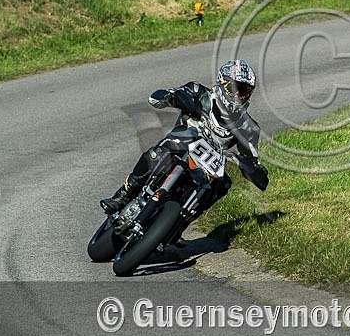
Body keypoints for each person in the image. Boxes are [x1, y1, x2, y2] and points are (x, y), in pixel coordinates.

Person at [100, 59, 268, 221]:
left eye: (244, 91)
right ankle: (122, 195)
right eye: (234, 88)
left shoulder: (248, 127)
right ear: (223, 83)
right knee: (156, 153)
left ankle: (179, 225)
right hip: (179, 144)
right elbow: (171, 95)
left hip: (207, 163)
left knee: (223, 185)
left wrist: (253, 169)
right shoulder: (199, 91)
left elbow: (251, 159)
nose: (238, 94)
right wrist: (170, 97)